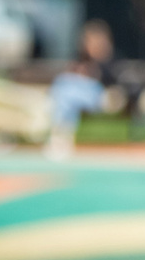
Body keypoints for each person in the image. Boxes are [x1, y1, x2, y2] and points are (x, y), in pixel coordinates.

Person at [45, 20, 118, 160]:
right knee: (65, 89)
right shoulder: (82, 59)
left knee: (65, 92)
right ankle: (61, 136)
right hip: (80, 95)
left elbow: (110, 84)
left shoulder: (108, 59)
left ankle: (60, 135)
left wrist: (92, 72)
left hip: (99, 96)